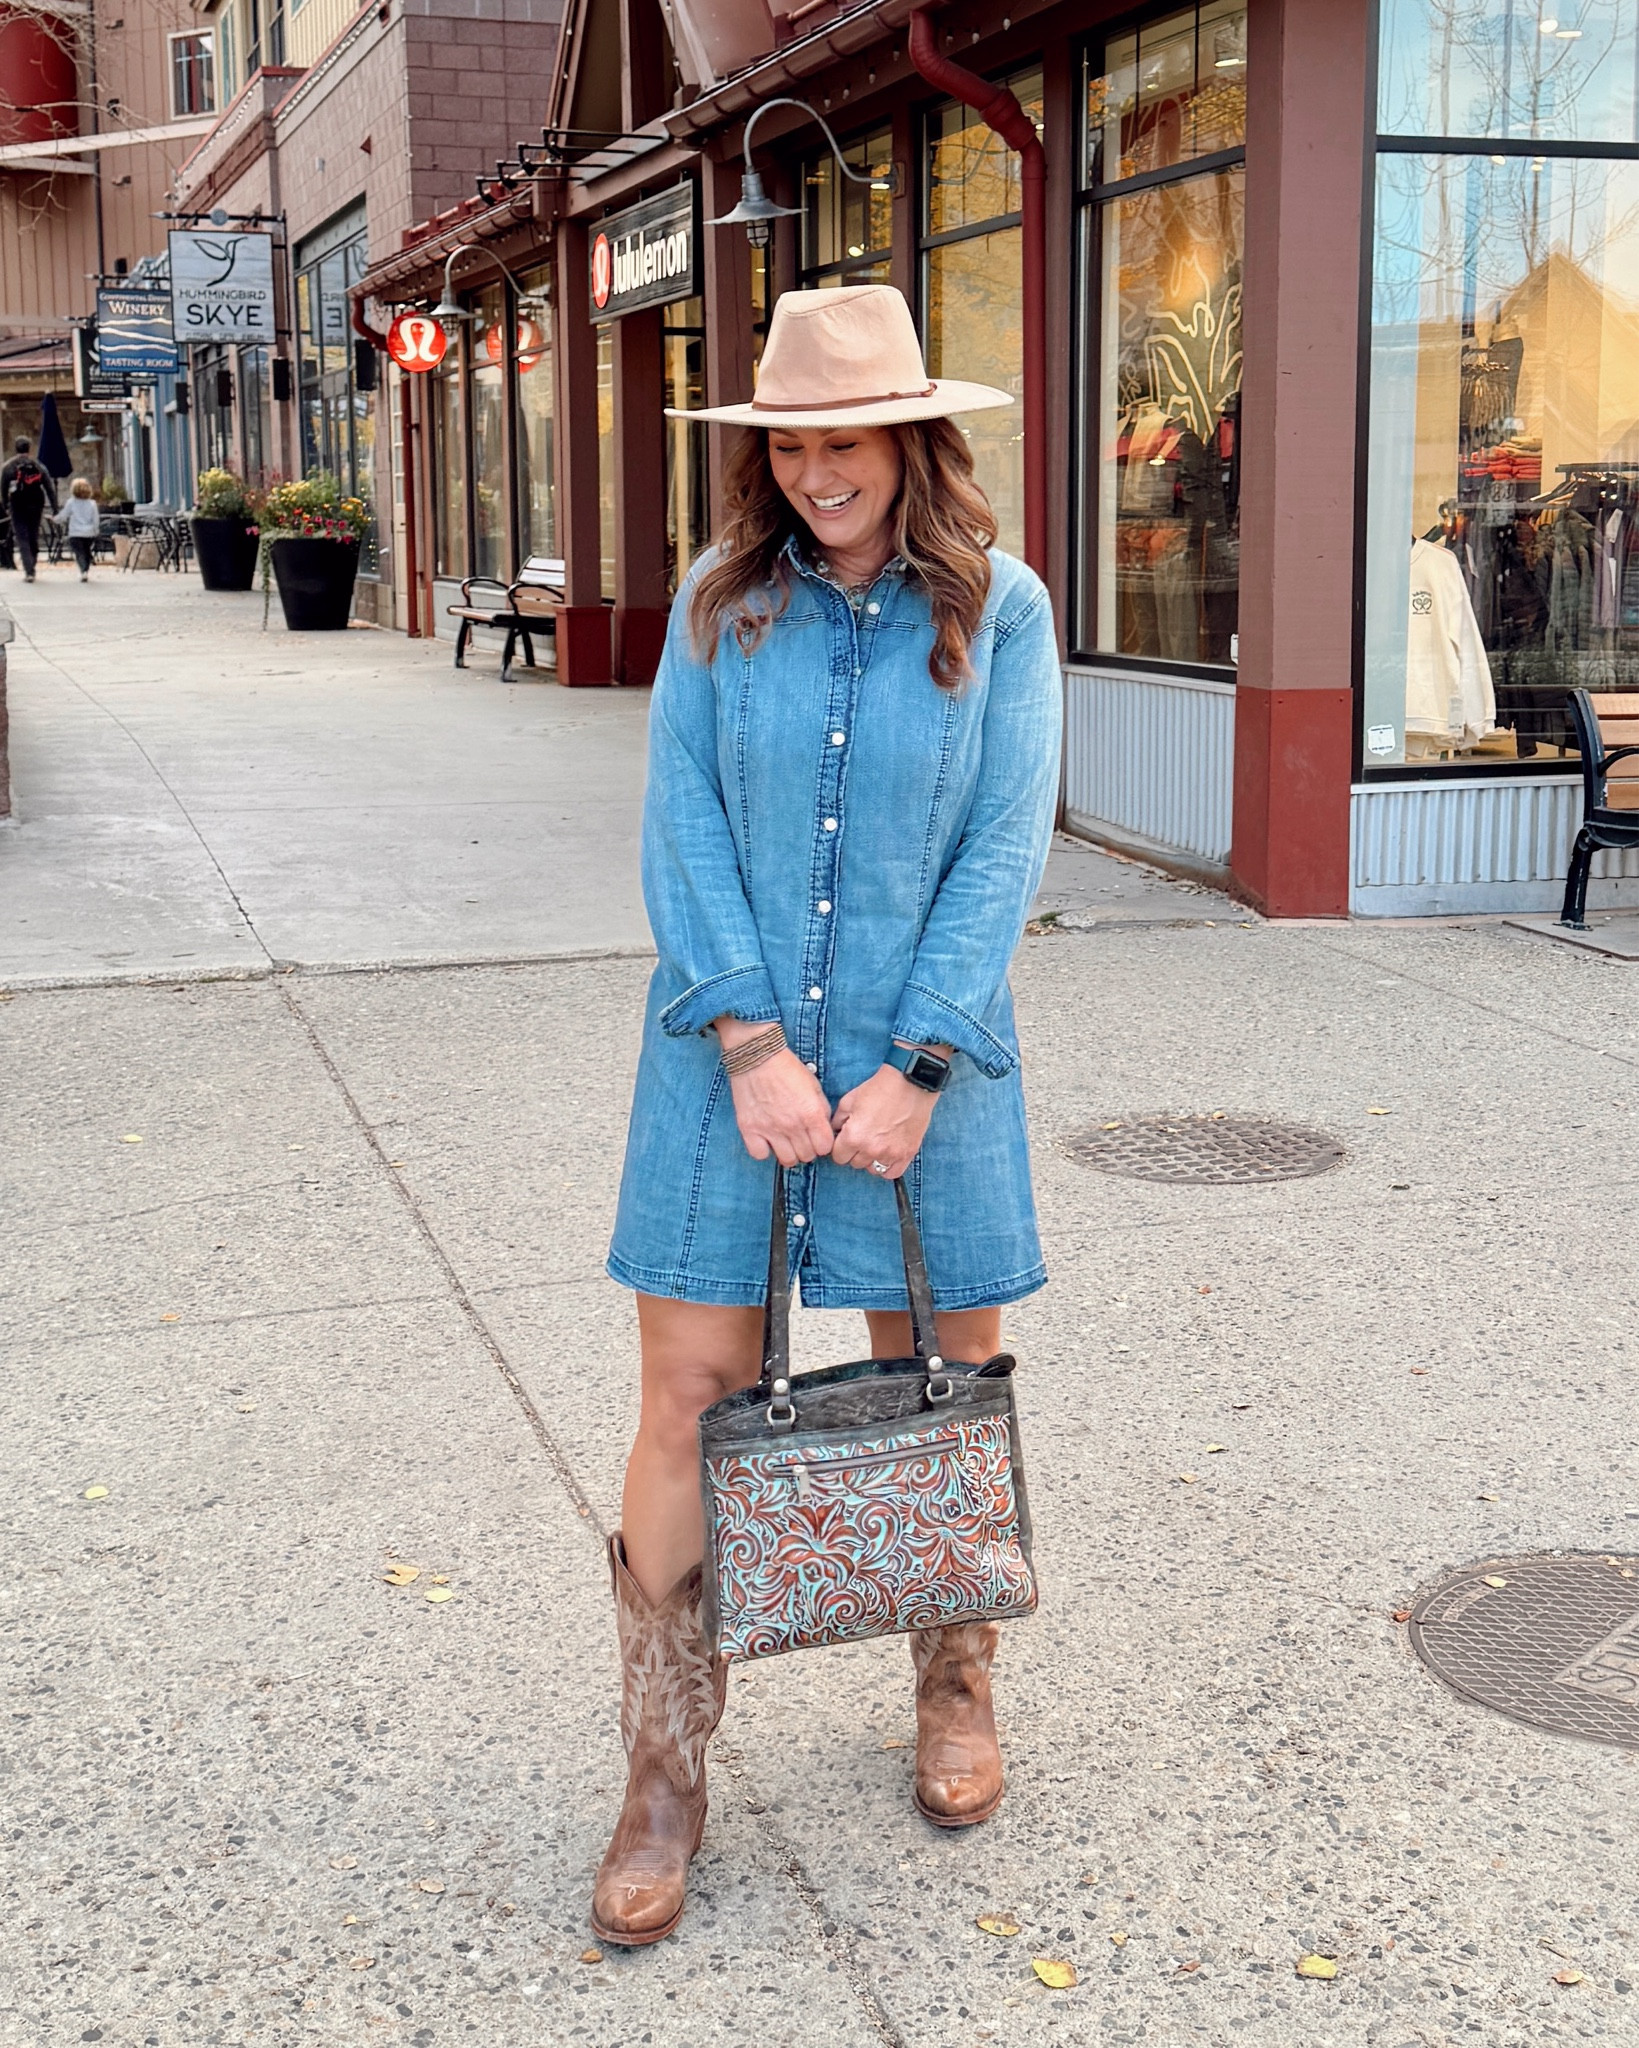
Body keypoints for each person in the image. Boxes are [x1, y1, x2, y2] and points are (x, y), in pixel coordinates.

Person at [593, 284, 1062, 1947]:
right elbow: (677, 822)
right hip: (725, 1066)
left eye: (841, 440)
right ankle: (662, 1768)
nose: (812, 473)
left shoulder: (999, 613)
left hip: (920, 1074)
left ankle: (950, 1680)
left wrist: (918, 1059)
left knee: (939, 1368)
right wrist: (743, 1033)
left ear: (908, 441)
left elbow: (1002, 846)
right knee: (680, 1393)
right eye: (786, 445)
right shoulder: (719, 607)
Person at [1, 438, 57, 582]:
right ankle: (32, 562)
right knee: (33, 535)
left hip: (17, 505)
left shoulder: (8, 467)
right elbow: (49, 488)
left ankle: (29, 570)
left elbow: (3, 488)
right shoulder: (38, 465)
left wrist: (6, 505)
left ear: (16, 449)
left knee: (22, 537)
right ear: (29, 449)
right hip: (36, 504)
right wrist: (54, 507)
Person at [65, 477, 100, 582]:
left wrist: (55, 519)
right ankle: (86, 569)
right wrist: (96, 530)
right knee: (86, 550)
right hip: (89, 532)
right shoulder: (92, 503)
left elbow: (64, 514)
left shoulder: (71, 502)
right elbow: (96, 519)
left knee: (79, 552)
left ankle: (83, 570)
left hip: (75, 533)